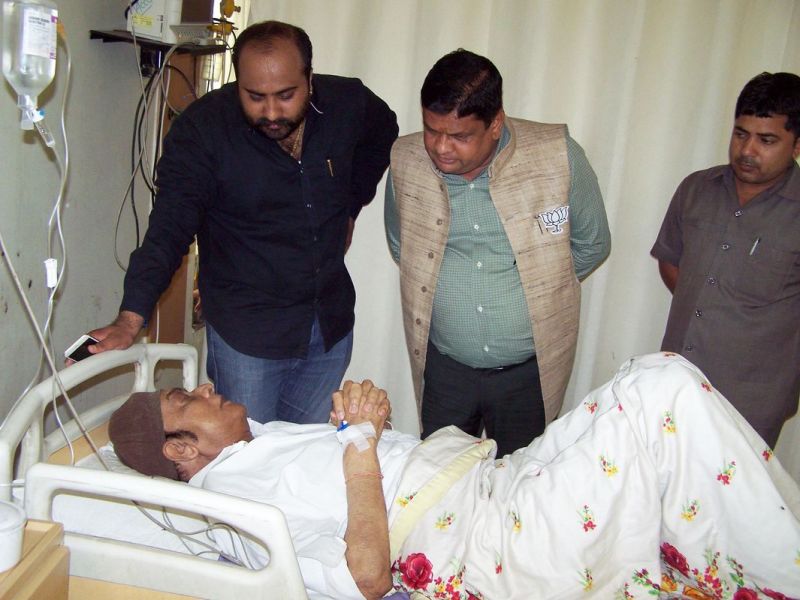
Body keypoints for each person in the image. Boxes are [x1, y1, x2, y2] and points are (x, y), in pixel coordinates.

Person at [109, 355, 800, 599]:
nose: (204, 387)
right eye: (184, 399)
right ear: (180, 451)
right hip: (484, 540)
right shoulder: (236, 506)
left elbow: (360, 449)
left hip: (493, 482)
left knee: (647, 387)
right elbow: (363, 578)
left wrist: (362, 420)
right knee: (660, 388)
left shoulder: (257, 440)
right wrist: (359, 445)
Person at [87, 21, 399, 424]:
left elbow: (383, 131)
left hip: (327, 326)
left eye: (286, 95)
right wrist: (130, 319)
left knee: (302, 452)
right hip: (247, 336)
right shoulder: (202, 132)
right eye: (254, 96)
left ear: (310, 78)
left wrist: (350, 206)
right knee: (244, 452)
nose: (271, 112)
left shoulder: (346, 102)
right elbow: (169, 229)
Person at [384, 50, 610, 456]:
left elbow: (592, 244)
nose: (441, 147)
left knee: (521, 483)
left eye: (460, 136)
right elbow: (403, 245)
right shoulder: (405, 159)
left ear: (495, 124)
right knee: (441, 478)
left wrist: (537, 289)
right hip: (445, 371)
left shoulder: (556, 156)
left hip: (527, 376)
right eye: (432, 130)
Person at [651, 72, 800, 448]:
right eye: (740, 134)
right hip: (675, 382)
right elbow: (671, 259)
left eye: (767, 140)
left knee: (726, 489)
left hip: (751, 403)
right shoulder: (696, 189)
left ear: (797, 145)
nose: (747, 150)